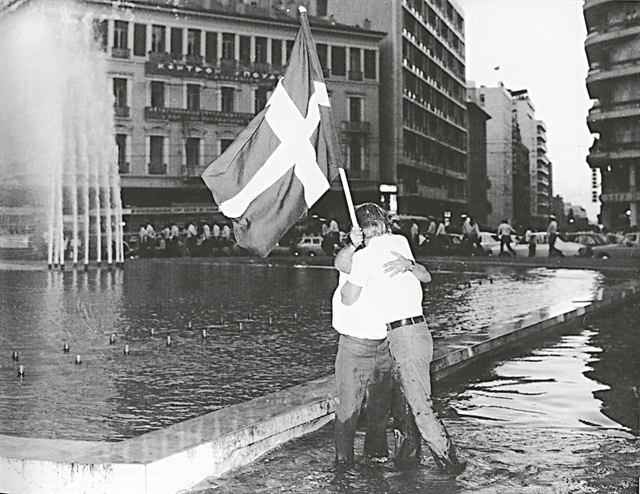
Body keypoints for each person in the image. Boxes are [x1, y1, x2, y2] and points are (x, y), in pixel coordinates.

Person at [340, 203, 466, 474]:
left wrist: (354, 267)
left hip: (404, 336)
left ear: (361, 229)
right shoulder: (400, 241)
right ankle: (409, 460)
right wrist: (408, 265)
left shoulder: (365, 256)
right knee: (409, 402)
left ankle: (451, 465)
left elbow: (348, 299)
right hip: (418, 332)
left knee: (420, 406)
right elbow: (426, 276)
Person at [334, 228, 422, 469]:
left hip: (383, 342)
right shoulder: (356, 257)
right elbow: (340, 265)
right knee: (348, 409)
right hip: (354, 343)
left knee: (380, 410)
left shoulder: (386, 253)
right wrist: (352, 245)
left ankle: (376, 459)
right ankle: (343, 465)